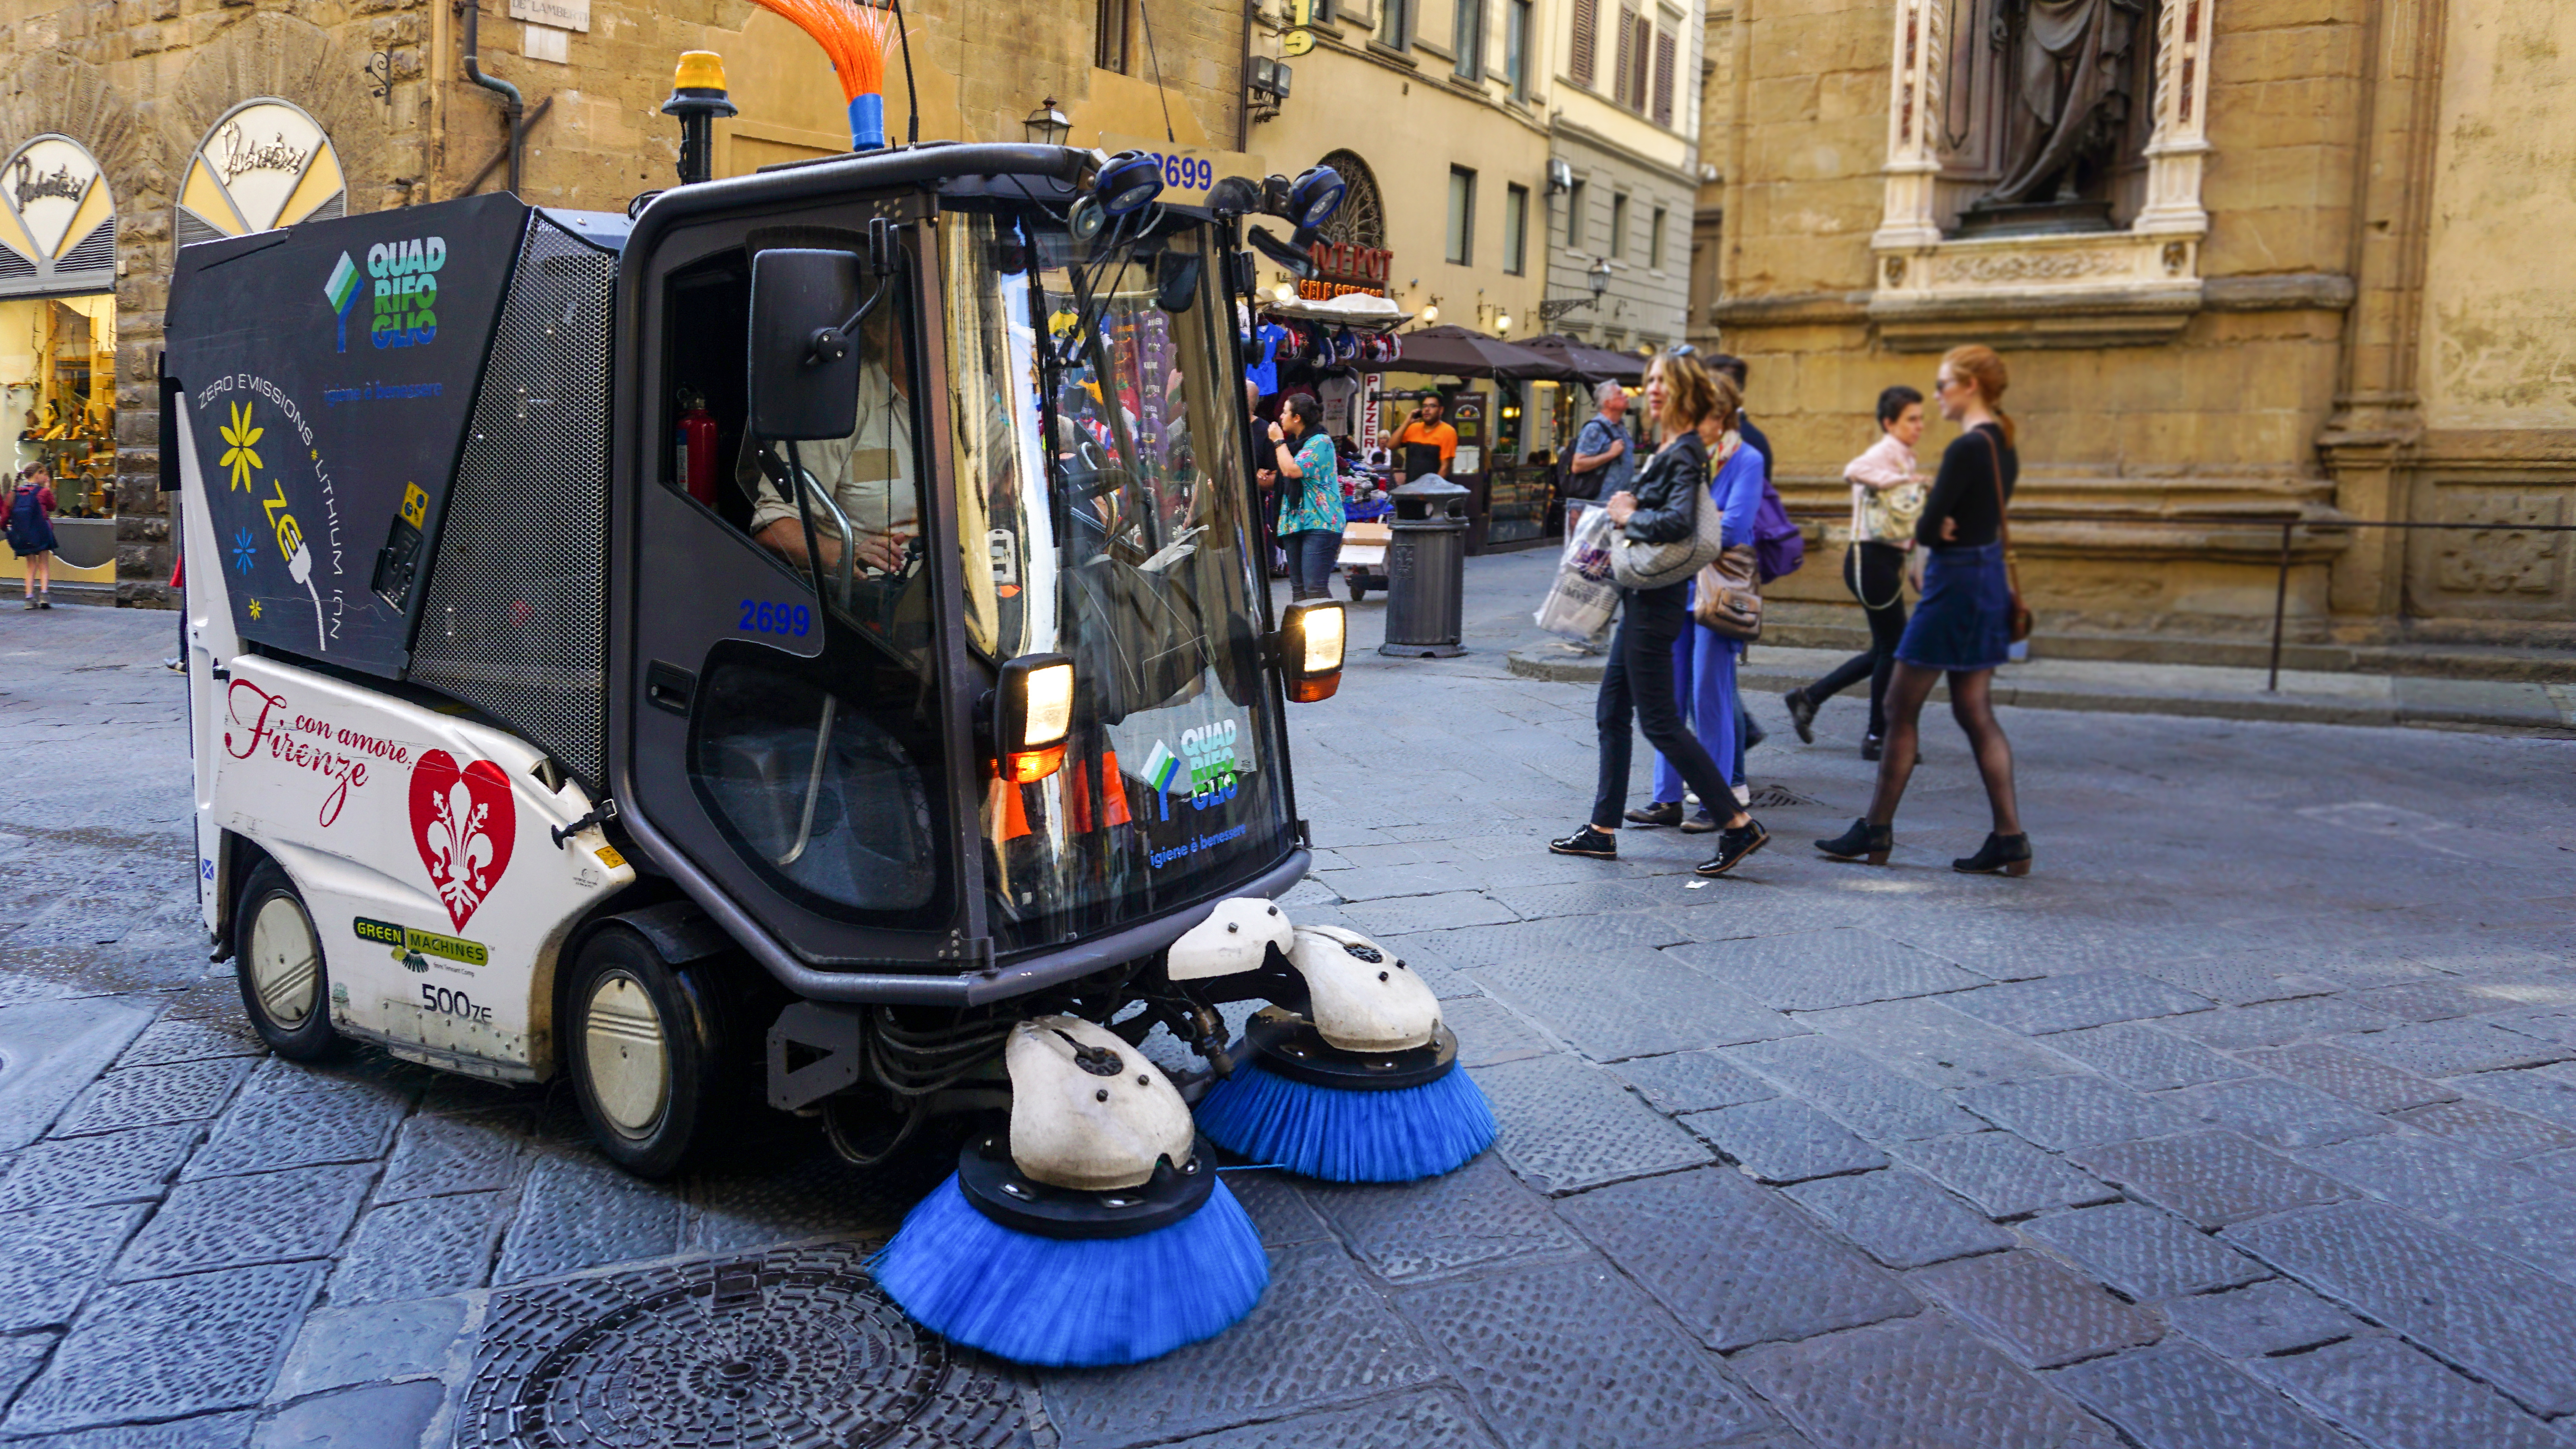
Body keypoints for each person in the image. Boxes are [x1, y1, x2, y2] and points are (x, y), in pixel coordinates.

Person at [1549, 351, 1768, 877]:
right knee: (1611, 711)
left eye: (1662, 382)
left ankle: (1738, 824)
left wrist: (1628, 513)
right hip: (1643, 599)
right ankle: (1601, 830)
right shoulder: (1670, 447)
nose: (1651, 390)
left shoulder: (1685, 449)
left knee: (1661, 722)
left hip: (1657, 600)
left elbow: (1676, 524)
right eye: (1648, 381)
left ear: (1684, 393)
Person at [1816, 345, 2029, 876]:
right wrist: (1941, 520)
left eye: (1942, 386)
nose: (1936, 397)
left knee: (1897, 705)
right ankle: (2010, 838)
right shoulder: (2004, 444)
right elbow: (1946, 520)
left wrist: (1938, 522)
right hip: (1987, 583)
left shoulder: (1966, 449)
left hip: (1954, 586)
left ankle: (1876, 830)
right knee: (1974, 711)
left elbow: (1930, 526)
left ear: (1970, 386)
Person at [1628, 372, 1767, 831]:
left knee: (1712, 697)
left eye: (1704, 414)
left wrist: (1684, 527)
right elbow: (1685, 522)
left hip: (1719, 593)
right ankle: (1666, 798)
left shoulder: (1746, 459)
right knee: (1668, 698)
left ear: (1721, 415)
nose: (1697, 423)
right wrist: (1697, 526)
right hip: (1677, 586)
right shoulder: (1685, 455)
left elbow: (1734, 528)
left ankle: (1717, 801)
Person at [1785, 385, 1927, 759]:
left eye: (1920, 418)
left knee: (1885, 648)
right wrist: (1902, 483)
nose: (1919, 425)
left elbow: (1901, 519)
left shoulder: (1904, 457)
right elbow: (1854, 470)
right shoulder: (1882, 454)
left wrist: (1913, 559)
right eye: (1912, 419)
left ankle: (1810, 698)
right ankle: (1876, 736)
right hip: (1868, 561)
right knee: (1893, 649)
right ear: (1889, 422)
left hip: (1884, 562)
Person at [1269, 394, 1344, 601]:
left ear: (1297, 418)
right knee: (1299, 591)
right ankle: (1301, 635)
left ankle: (1329, 634)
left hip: (1320, 523)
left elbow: (1292, 470)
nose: (1281, 416)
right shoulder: (1295, 445)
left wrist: (1277, 441)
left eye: (1285, 412)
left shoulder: (1321, 442)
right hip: (1294, 522)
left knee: (1315, 588)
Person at [8, 462, 58, 610]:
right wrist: (48, 489)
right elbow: (52, 507)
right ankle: (44, 595)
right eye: (44, 474)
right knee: (43, 564)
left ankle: (29, 598)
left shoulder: (16, 492)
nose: (46, 477)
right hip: (41, 532)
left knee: (31, 566)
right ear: (37, 474)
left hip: (24, 533)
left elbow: (8, 510)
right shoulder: (43, 492)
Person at [1394, 395, 1457, 480]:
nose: (1427, 409)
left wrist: (1432, 490)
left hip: (1433, 490)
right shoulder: (1413, 428)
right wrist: (1407, 422)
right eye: (1425, 406)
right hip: (1411, 488)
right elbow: (1391, 445)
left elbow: (1445, 467)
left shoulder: (1448, 432)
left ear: (1441, 410)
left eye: (1432, 406)